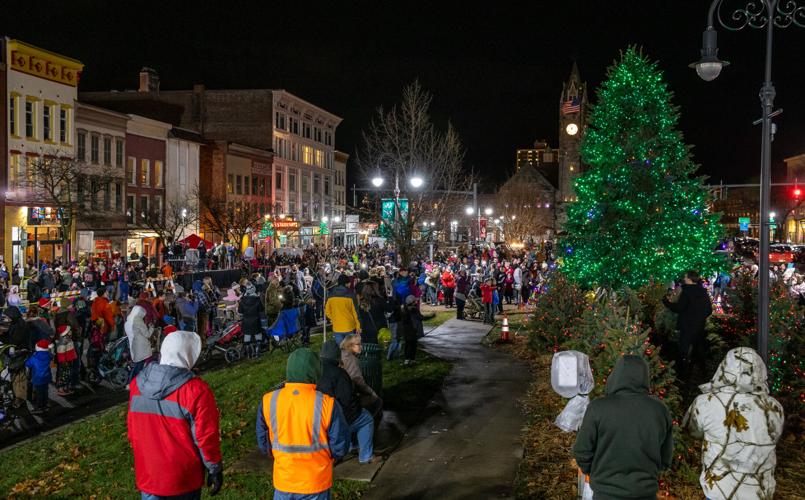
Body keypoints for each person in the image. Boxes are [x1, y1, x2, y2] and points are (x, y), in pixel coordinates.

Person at [127, 330, 223, 499]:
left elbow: (133, 431)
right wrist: (214, 467)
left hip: (149, 474)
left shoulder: (137, 385)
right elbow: (205, 437)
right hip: (183, 477)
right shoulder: (196, 390)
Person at [683, 347, 784, 500]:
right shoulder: (773, 407)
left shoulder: (705, 403)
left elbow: (693, 431)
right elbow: (773, 436)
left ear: (725, 368)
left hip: (719, 489)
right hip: (759, 490)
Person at [573, 355, 673, 500]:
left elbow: (582, 451)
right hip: (645, 493)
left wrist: (596, 473)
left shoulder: (598, 407)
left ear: (616, 375)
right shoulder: (660, 410)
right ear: (645, 377)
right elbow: (665, 458)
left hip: (605, 493)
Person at [255, 348, 350, 499]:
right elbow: (340, 444)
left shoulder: (268, 401)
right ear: (316, 371)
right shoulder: (327, 404)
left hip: (284, 481)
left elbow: (263, 441)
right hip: (315, 483)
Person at [317, 340, 380, 464]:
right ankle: (365, 455)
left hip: (318, 417)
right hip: (334, 419)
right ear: (337, 356)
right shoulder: (339, 374)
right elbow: (347, 402)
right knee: (365, 419)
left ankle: (351, 445)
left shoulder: (315, 371)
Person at [662, 270, 713, 377]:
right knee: (698, 348)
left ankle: (681, 374)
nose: (684, 279)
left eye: (685, 277)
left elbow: (679, 308)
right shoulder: (702, 291)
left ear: (689, 279)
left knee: (683, 349)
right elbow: (709, 310)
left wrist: (666, 302)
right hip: (699, 325)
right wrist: (700, 318)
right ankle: (704, 373)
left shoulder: (687, 292)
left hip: (687, 326)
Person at [340, 334, 382, 418]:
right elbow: (358, 381)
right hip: (347, 398)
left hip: (338, 395)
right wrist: (372, 393)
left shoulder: (341, 354)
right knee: (378, 402)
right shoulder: (351, 360)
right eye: (358, 344)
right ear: (350, 346)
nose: (361, 347)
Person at [325, 275, 361, 346]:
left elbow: (327, 311)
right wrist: (358, 326)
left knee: (342, 349)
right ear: (347, 283)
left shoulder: (331, 295)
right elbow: (355, 313)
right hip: (349, 326)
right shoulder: (351, 295)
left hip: (337, 327)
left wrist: (333, 318)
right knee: (351, 349)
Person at [125, 303, 154, 385]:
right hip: (141, 346)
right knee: (139, 366)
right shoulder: (138, 320)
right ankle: (131, 383)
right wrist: (151, 327)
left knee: (137, 365)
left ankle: (131, 383)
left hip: (133, 345)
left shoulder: (128, 320)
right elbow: (147, 334)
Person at [238, 281, 265, 357]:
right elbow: (261, 310)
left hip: (246, 321)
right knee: (258, 334)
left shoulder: (242, 300)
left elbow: (240, 312)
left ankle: (249, 354)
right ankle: (257, 352)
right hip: (256, 320)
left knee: (247, 335)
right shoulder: (257, 299)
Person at [26, 339, 53, 414]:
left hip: (38, 378)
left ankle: (40, 407)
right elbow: (51, 356)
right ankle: (45, 405)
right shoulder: (48, 355)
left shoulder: (35, 357)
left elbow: (28, 364)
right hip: (46, 377)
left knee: (39, 394)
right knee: (45, 391)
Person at [399, 295, 423, 366]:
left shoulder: (403, 309)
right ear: (412, 302)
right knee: (413, 345)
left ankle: (407, 359)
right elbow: (420, 317)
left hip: (406, 330)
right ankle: (412, 360)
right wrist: (431, 316)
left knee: (407, 345)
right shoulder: (414, 310)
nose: (416, 302)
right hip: (413, 329)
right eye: (415, 301)